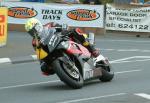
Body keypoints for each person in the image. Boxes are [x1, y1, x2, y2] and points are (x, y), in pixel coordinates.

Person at [25, 18, 100, 76]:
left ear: (38, 25)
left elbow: (62, 27)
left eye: (34, 29)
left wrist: (64, 28)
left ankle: (92, 49)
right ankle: (64, 70)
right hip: (52, 50)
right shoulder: (35, 42)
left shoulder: (49, 25)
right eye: (31, 32)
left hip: (63, 39)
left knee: (75, 31)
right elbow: (40, 53)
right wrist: (44, 64)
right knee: (44, 68)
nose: (34, 32)